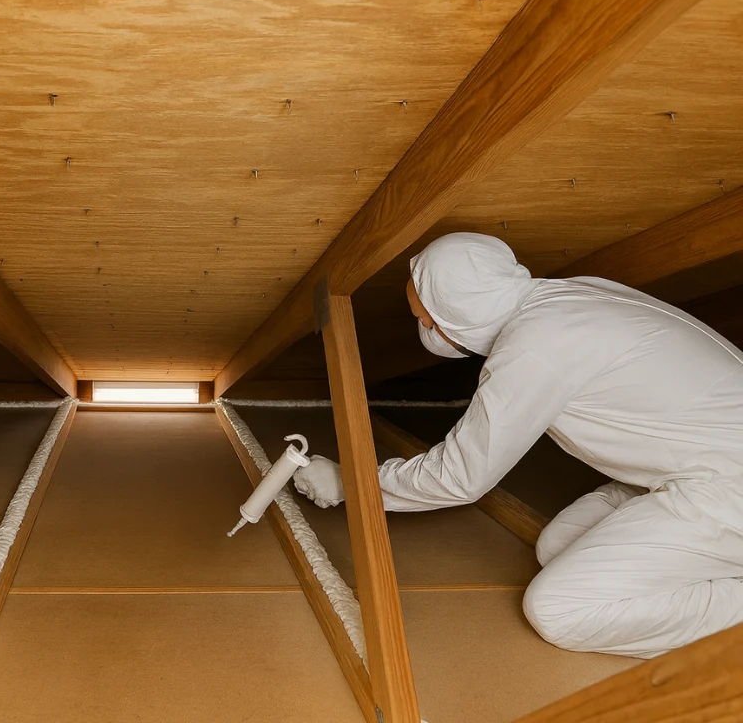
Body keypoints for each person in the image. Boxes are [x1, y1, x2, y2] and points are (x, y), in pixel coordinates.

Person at [292, 232, 743, 659]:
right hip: (701, 465)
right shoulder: (563, 297)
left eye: (425, 316)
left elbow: (461, 477)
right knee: (556, 546)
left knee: (557, 609)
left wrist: (352, 482)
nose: (423, 326)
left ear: (460, 311)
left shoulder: (535, 347)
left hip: (725, 489)